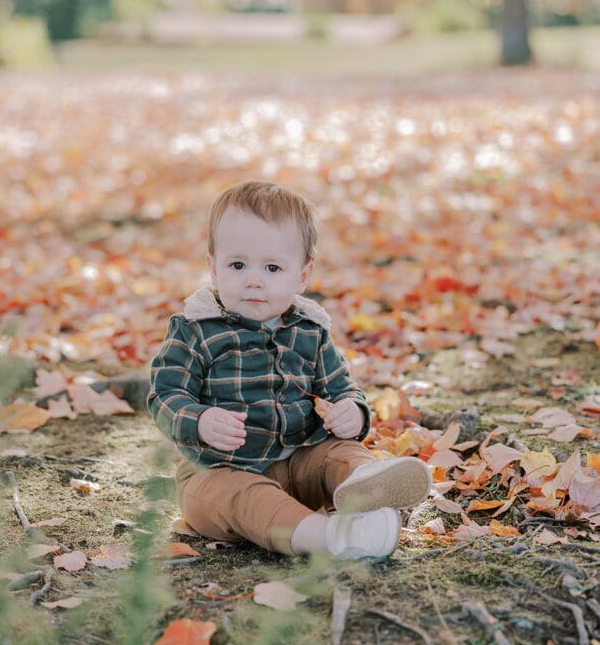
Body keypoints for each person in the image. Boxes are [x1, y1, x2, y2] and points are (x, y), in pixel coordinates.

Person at [148, 180, 431, 560]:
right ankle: (326, 537)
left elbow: (341, 389)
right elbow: (165, 396)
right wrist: (198, 420)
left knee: (339, 452)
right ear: (213, 268)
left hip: (298, 462)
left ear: (301, 276)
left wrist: (352, 411)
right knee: (245, 498)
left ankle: (364, 489)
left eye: (272, 267)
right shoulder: (195, 329)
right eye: (237, 264)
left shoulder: (310, 331)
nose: (253, 279)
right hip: (216, 473)